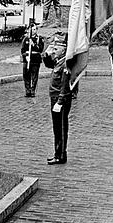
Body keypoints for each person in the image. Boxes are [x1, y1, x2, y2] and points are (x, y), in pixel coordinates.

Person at [42, 31, 72, 165]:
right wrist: (47, 52)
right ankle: (57, 153)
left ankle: (60, 155)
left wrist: (60, 101)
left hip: (61, 100)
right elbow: (48, 63)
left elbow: (65, 86)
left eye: (57, 48)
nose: (55, 50)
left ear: (64, 49)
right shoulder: (58, 61)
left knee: (61, 128)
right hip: (54, 98)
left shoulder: (65, 64)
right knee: (56, 128)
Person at [20, 21, 45, 97]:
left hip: (35, 60)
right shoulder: (25, 39)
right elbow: (22, 50)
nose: (32, 31)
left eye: (34, 29)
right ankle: (27, 90)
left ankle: (33, 90)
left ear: (36, 30)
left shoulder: (39, 39)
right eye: (31, 29)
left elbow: (40, 49)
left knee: (34, 76)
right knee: (26, 75)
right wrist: (25, 56)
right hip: (27, 59)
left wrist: (33, 44)